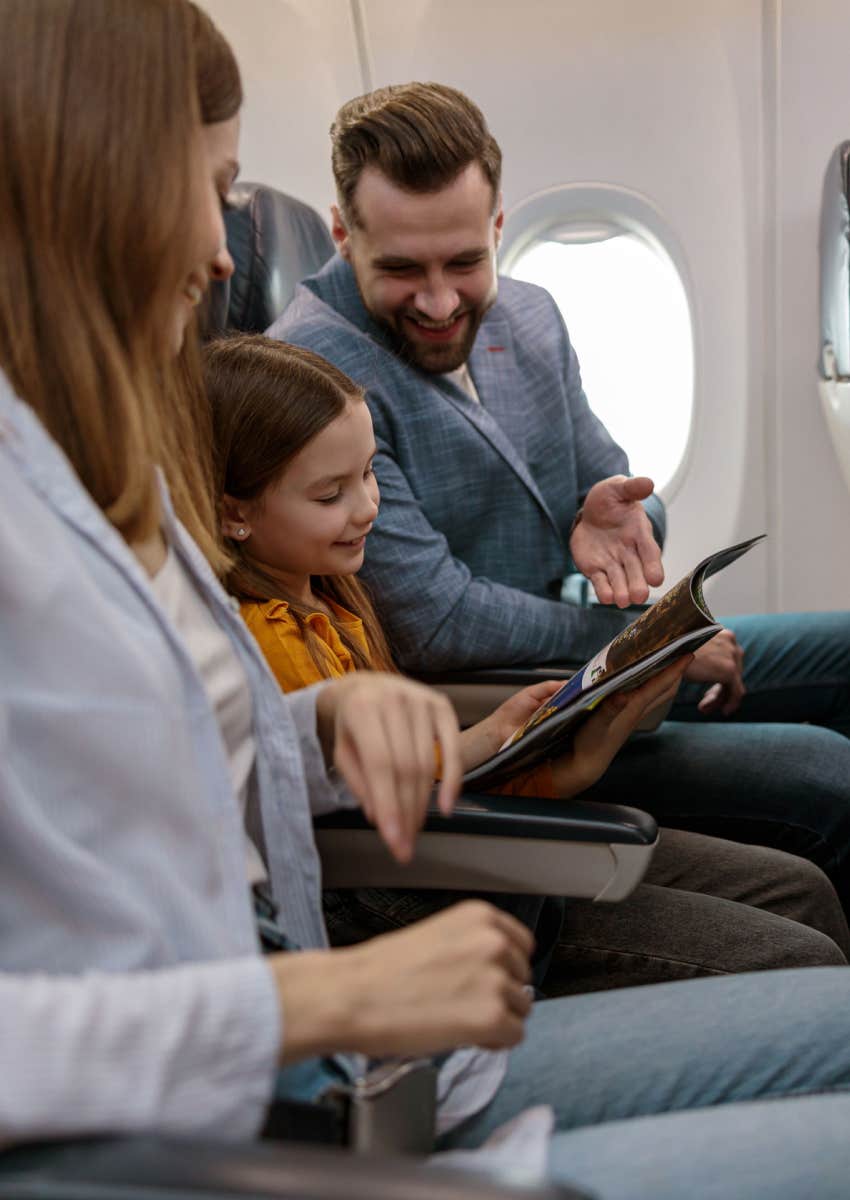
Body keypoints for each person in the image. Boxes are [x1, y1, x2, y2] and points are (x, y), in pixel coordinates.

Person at [8, 6, 850, 1198]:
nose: (222, 250)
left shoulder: (110, 461)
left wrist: (330, 722)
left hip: (319, 1040)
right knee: (819, 820)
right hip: (255, 1093)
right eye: (207, 187)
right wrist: (324, 994)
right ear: (85, 188)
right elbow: (441, 623)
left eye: (231, 189)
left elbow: (204, 766)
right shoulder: (298, 384)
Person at [270, 81, 850, 912]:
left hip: (591, 657)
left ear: (499, 229)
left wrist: (627, 519)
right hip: (522, 703)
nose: (439, 302)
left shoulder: (532, 316)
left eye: (466, 262)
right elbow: (438, 622)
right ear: (341, 234)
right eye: (401, 269)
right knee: (829, 776)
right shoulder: (313, 378)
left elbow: (620, 487)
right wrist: (651, 644)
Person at [201, 331, 849, 994]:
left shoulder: (330, 594)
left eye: (368, 475)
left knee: (800, 889)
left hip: (454, 835)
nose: (368, 508)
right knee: (799, 948)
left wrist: (513, 741)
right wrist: (534, 768)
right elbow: (368, 814)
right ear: (236, 515)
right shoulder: (269, 639)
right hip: (420, 890)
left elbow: (397, 772)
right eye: (330, 494)